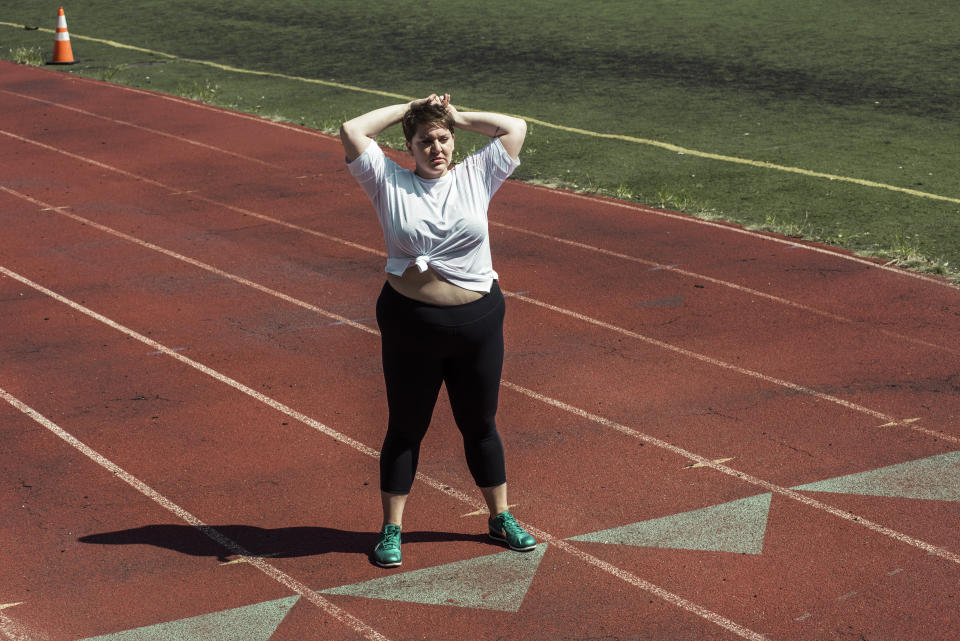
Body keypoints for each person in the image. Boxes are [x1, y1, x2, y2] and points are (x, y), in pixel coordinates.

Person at [340, 93, 536, 568]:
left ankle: (500, 517)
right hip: (412, 324)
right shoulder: (387, 181)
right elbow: (352, 130)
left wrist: (459, 116)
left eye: (443, 139)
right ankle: (392, 529)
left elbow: (516, 127)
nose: (436, 148)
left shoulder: (476, 175)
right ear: (408, 146)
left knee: (480, 424)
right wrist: (410, 106)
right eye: (425, 140)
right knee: (407, 427)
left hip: (478, 323)